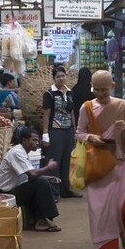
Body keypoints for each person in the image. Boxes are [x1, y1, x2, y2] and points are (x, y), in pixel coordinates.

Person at [75, 69, 125, 249]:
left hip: (118, 162)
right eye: (96, 89)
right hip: (97, 165)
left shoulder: (123, 107)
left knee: (117, 207)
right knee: (99, 211)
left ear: (112, 86)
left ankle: (122, 232)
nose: (100, 94)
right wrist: (89, 137)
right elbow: (79, 132)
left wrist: (124, 131)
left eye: (104, 90)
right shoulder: (86, 108)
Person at [0, 127, 61, 232]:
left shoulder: (22, 152)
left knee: (42, 181)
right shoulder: (17, 152)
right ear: (24, 140)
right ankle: (41, 221)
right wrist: (48, 167)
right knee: (41, 182)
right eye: (34, 140)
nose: (37, 143)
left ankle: (37, 219)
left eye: (38, 140)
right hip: (7, 194)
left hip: (16, 189)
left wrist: (47, 177)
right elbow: (32, 174)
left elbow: (29, 175)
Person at [41, 66, 79, 198]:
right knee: (54, 160)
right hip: (55, 130)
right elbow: (46, 114)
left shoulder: (69, 92)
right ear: (54, 78)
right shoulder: (49, 93)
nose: (61, 78)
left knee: (67, 160)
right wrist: (45, 133)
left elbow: (72, 112)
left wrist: (75, 129)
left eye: (63, 76)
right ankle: (53, 191)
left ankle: (65, 190)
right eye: (58, 76)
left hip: (68, 130)